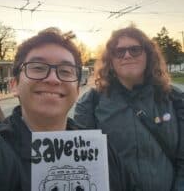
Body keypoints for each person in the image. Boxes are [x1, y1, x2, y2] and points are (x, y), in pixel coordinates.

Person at [0, 28, 125, 191]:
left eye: (66, 71)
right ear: (14, 85)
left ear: (77, 88)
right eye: (38, 68)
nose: (53, 79)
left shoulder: (103, 151)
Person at [74, 25, 184, 191]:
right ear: (110, 60)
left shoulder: (174, 98)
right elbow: (85, 164)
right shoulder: (91, 102)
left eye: (135, 50)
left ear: (148, 55)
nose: (127, 55)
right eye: (119, 51)